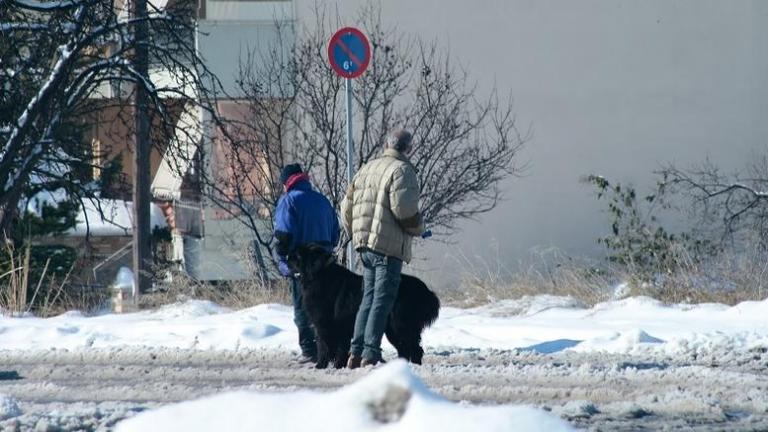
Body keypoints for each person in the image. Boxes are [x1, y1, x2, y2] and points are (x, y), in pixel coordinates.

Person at [341, 128, 427, 368]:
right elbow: (404, 211)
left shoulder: (366, 168)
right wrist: (419, 228)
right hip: (387, 248)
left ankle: (355, 352)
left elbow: (345, 208)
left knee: (367, 298)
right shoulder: (402, 171)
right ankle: (370, 352)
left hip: (364, 245)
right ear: (409, 149)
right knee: (382, 300)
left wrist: (355, 233)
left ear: (387, 145)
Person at [272, 163, 340, 363]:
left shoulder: (288, 201)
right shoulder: (322, 200)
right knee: (326, 308)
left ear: (286, 182)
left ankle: (309, 350)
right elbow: (335, 235)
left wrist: (284, 263)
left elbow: (283, 237)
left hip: (302, 266)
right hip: (326, 265)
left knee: (303, 309)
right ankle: (329, 349)